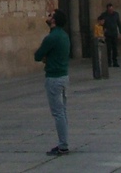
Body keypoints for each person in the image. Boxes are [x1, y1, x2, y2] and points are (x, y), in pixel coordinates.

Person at [35, 9, 71, 156]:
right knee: (62, 111)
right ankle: (64, 142)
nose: (48, 16)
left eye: (50, 15)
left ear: (54, 20)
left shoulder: (51, 37)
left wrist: (46, 57)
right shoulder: (64, 36)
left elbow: (38, 56)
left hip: (54, 78)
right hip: (64, 76)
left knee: (58, 113)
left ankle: (63, 145)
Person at [99, 3, 121, 67]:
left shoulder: (116, 14)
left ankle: (115, 62)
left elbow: (118, 23)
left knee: (115, 48)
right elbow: (100, 22)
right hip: (107, 34)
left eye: (111, 9)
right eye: (109, 9)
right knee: (108, 48)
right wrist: (103, 29)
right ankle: (109, 62)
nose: (111, 11)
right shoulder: (104, 15)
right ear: (107, 9)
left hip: (114, 33)